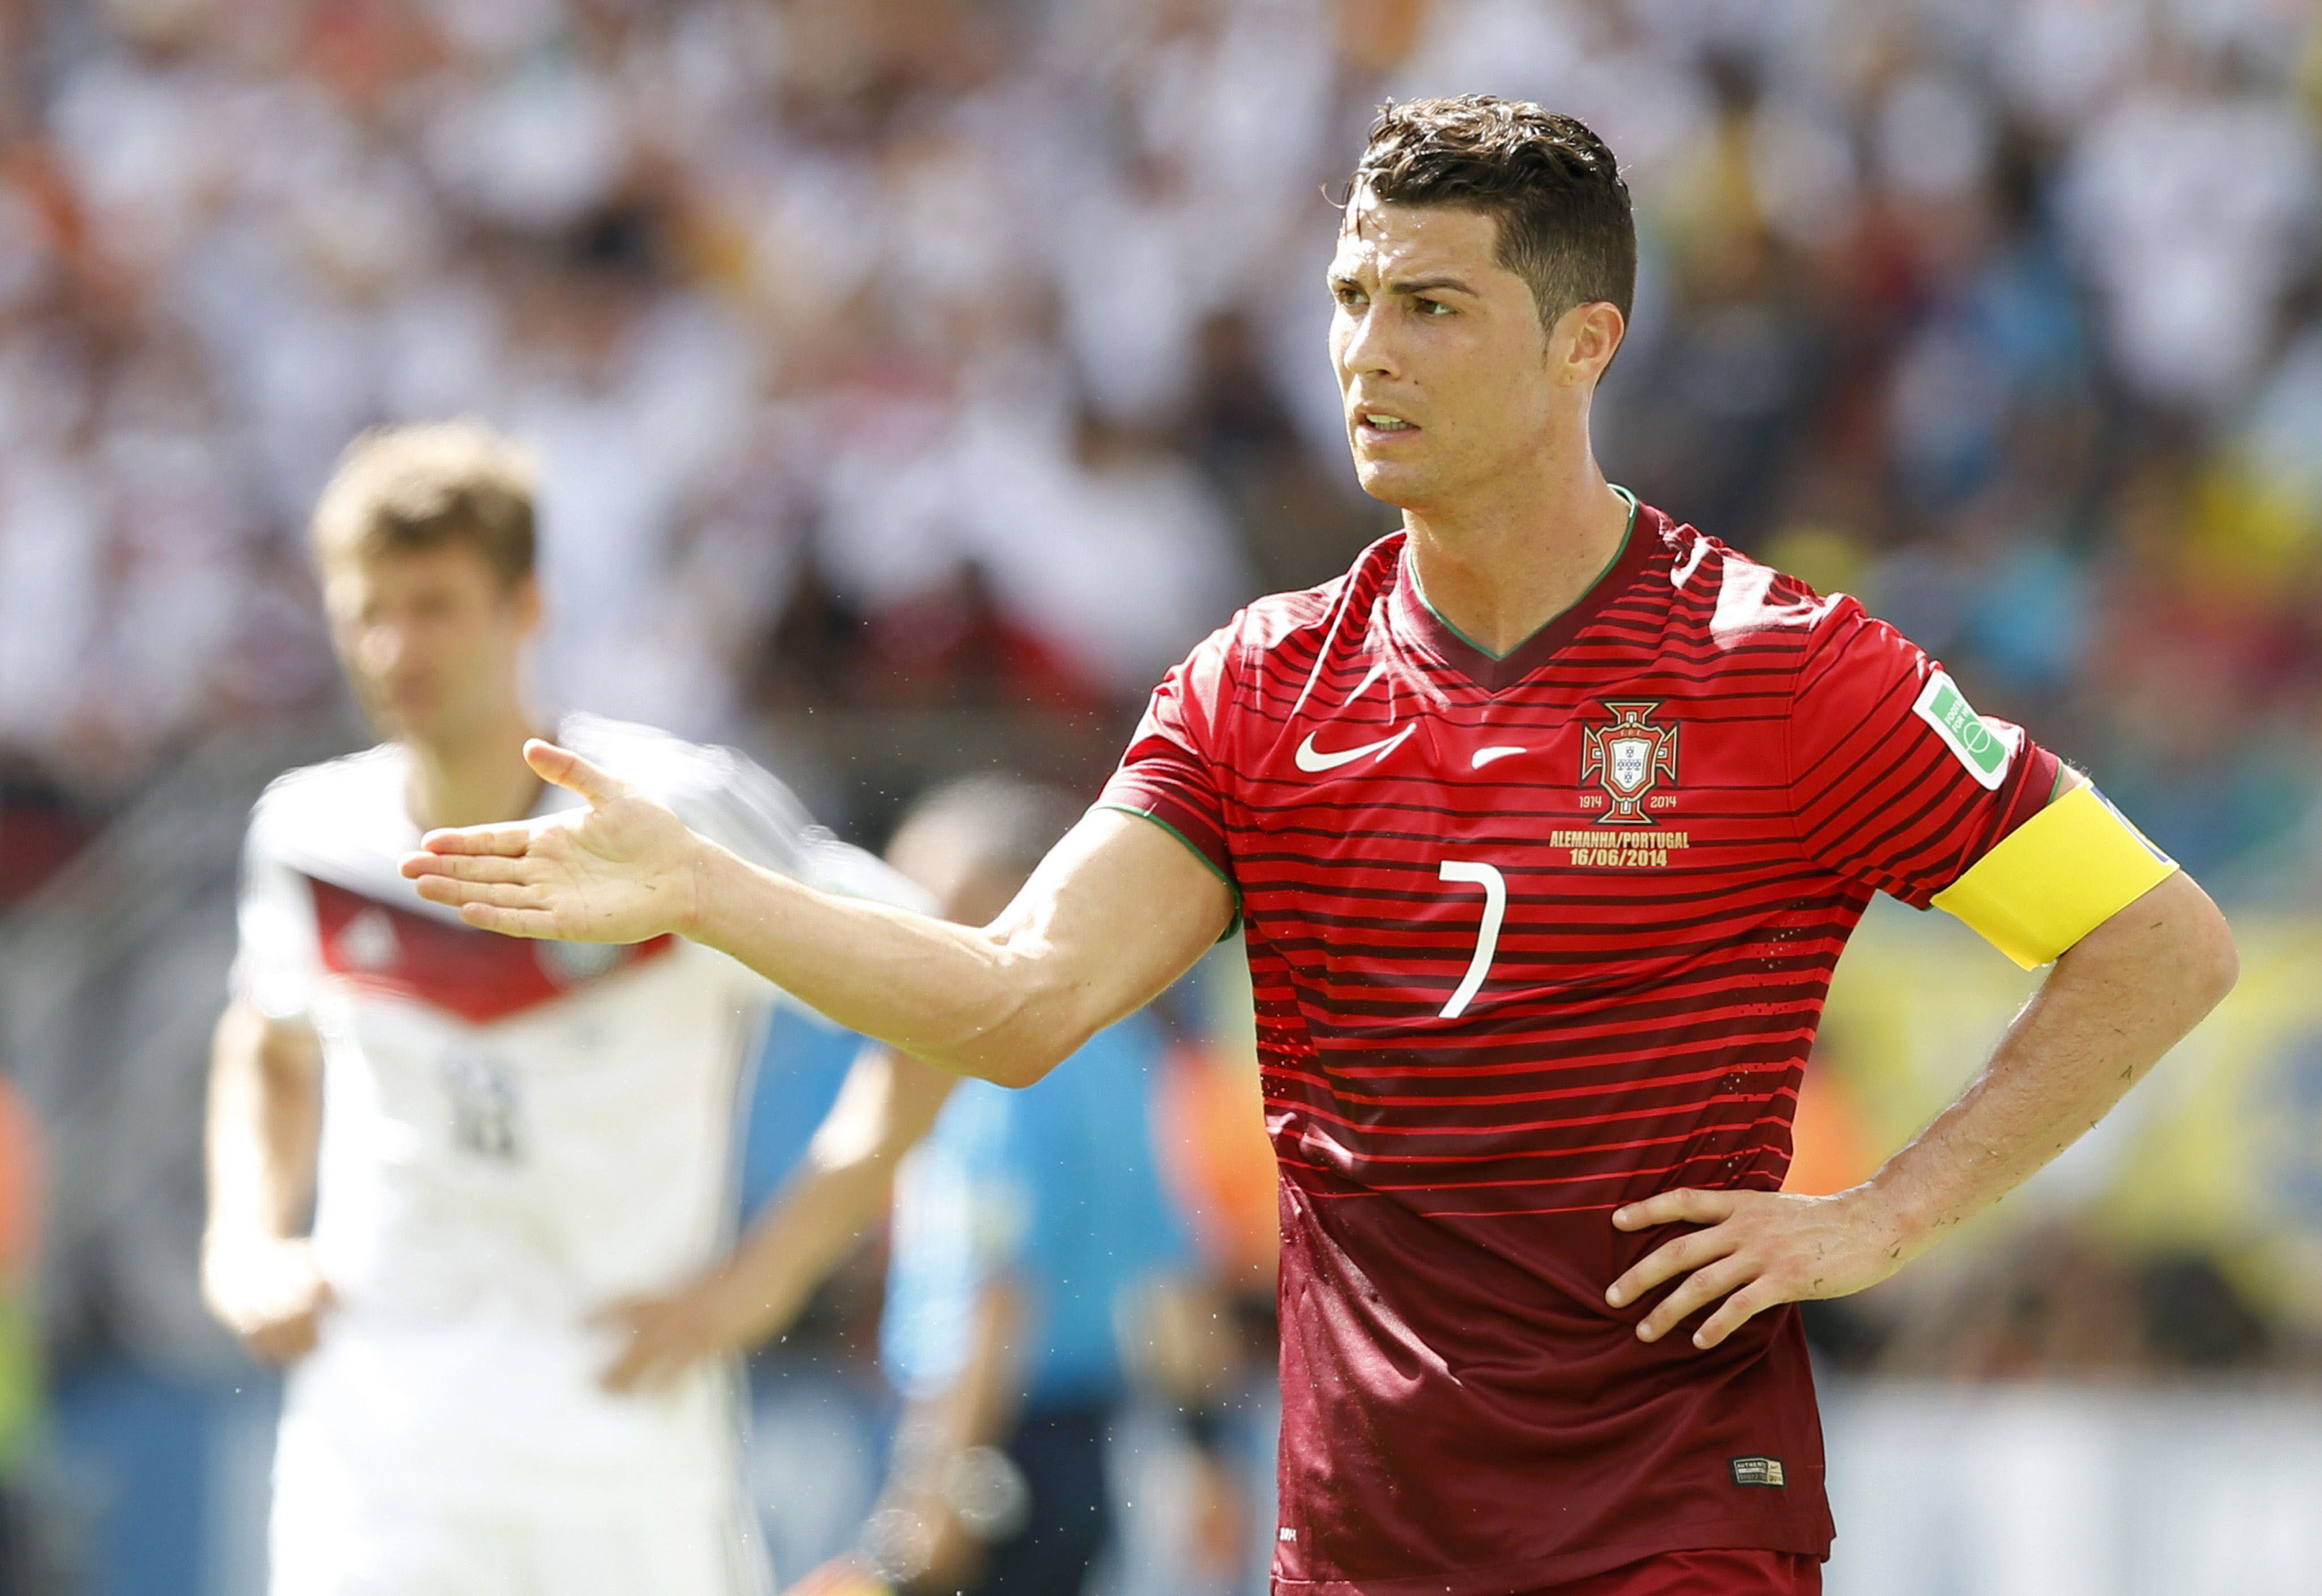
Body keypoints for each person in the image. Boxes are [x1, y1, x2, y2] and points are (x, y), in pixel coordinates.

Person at [402, 99, 2238, 1596]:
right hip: (1356, 1546)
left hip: (1671, 1532)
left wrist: (1877, 1217)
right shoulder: (1257, 685)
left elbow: (2156, 944)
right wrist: (708, 887)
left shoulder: (1789, 671)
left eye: (1431, 304)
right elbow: (1017, 998)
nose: (1368, 348)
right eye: (1352, 296)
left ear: (1581, 342)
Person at [202, 422, 922, 1596]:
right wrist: (243, 1234)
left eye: (433, 603)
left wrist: (770, 1275)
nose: (394, 644)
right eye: (363, 610)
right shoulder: (305, 831)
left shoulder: (670, 815)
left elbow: (923, 991)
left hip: (621, 1439)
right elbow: (266, 1039)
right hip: (375, 1443)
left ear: (525, 605)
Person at [590, 775, 1247, 1596]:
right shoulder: (1128, 1058)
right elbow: (1173, 1283)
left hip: (994, 1457)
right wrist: (1209, 1455)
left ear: (1022, 892)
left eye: (939, 901)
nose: (908, 932)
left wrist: (931, 1495)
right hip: (1090, 1450)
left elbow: (997, 1294)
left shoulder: (994, 1066)